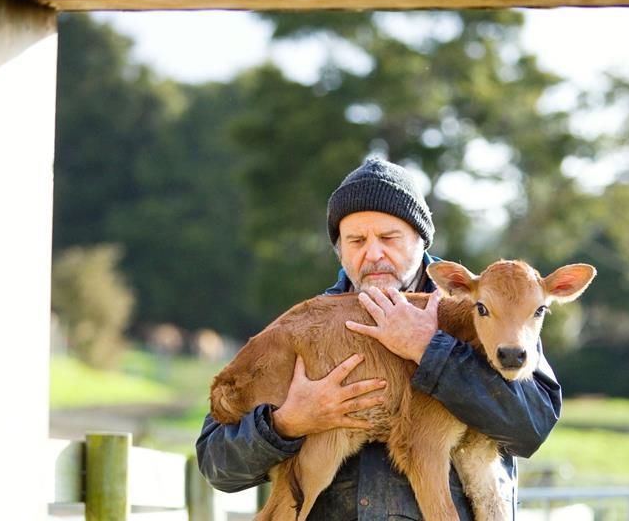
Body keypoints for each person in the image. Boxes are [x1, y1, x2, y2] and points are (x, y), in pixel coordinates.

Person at [196, 157, 562, 520]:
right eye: (356, 240)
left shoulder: (497, 315)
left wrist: (430, 350)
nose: (373, 253)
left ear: (420, 240)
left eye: (389, 237)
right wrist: (286, 424)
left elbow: (531, 428)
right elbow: (217, 466)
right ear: (339, 250)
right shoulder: (312, 327)